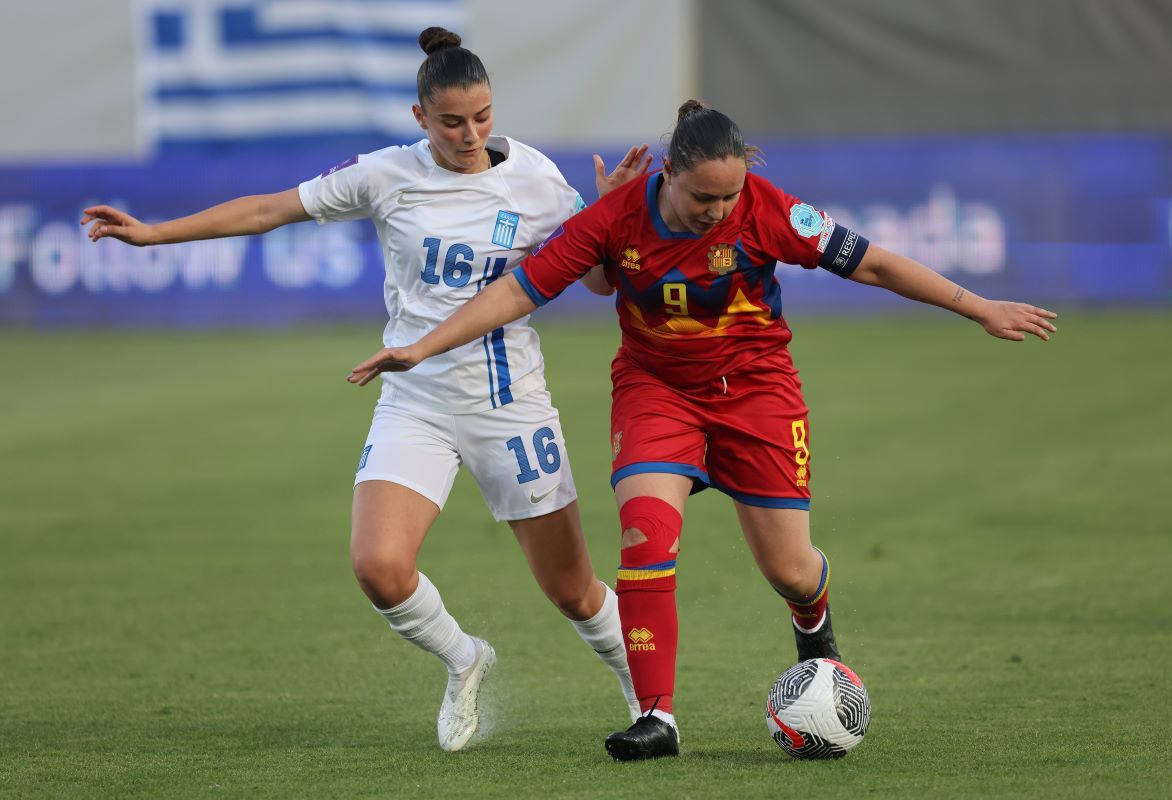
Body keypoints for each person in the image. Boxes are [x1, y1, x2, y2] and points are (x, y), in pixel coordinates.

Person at [345, 99, 1059, 761]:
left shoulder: (768, 209)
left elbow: (870, 261)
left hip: (757, 396)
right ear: (669, 175)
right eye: (703, 197)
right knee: (647, 533)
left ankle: (815, 628)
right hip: (657, 394)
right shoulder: (615, 219)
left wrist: (978, 306)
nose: (720, 210)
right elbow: (518, 289)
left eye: (729, 195)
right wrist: (422, 345)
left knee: (788, 567)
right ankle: (658, 716)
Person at [81, 27, 655, 753]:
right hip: (414, 395)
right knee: (379, 568)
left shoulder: (537, 178)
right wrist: (155, 235)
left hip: (510, 403)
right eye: (452, 121)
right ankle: (464, 658)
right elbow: (268, 210)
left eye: (482, 115)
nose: (471, 133)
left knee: (571, 588)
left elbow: (600, 281)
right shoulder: (386, 174)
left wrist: (605, 215)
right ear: (420, 118)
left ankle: (647, 701)